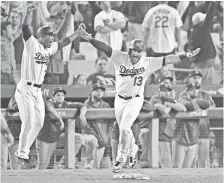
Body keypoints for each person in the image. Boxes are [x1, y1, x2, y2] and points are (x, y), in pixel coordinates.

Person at [78, 26, 200, 172]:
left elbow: (168, 59)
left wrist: (186, 55)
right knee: (124, 128)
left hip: (135, 99)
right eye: (133, 50)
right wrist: (90, 39)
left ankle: (120, 159)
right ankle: (133, 148)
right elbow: (105, 48)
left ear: (141, 52)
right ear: (129, 50)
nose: (135, 53)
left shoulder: (148, 62)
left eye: (137, 51)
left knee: (124, 127)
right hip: (119, 99)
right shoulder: (120, 56)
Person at [14, 4, 85, 167]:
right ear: (41, 36)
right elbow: (25, 27)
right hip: (25, 88)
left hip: (37, 90)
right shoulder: (32, 44)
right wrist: (29, 12)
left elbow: (64, 41)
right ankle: (22, 152)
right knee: (29, 121)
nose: (52, 38)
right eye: (49, 36)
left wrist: (77, 34)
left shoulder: (49, 48)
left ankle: (22, 151)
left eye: (52, 36)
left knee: (38, 123)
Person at [138, 76, 186, 168]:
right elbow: (164, 111)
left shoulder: (168, 100)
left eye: (168, 91)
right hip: (150, 135)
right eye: (164, 91)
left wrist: (169, 103)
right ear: (159, 92)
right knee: (153, 164)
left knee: (165, 165)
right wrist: (170, 105)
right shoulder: (155, 98)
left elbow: (183, 108)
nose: (166, 93)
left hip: (162, 136)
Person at [36, 87, 87, 169]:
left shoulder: (66, 104)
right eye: (58, 95)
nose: (60, 97)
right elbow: (50, 109)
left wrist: (82, 114)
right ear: (53, 97)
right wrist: (60, 120)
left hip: (58, 137)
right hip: (44, 138)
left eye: (62, 95)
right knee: (43, 166)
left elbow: (83, 105)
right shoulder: (48, 103)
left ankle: (64, 162)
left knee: (78, 138)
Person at [187, 70, 215, 168]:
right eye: (194, 78)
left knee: (204, 164)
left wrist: (199, 102)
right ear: (189, 79)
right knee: (190, 165)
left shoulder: (206, 94)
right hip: (188, 135)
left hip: (204, 133)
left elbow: (213, 109)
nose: (197, 80)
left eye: (199, 78)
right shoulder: (184, 94)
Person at [83, 83, 113, 169]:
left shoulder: (106, 105)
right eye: (96, 91)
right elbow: (84, 126)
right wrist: (98, 137)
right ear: (91, 92)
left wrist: (107, 135)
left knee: (107, 172)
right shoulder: (85, 106)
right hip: (92, 146)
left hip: (105, 146)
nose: (99, 93)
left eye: (101, 91)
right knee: (92, 171)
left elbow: (110, 123)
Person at [188, 2, 217, 84]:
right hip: (205, 66)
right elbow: (209, 16)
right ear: (201, 22)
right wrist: (213, 3)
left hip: (197, 65)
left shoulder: (192, 32)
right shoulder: (202, 29)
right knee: (208, 89)